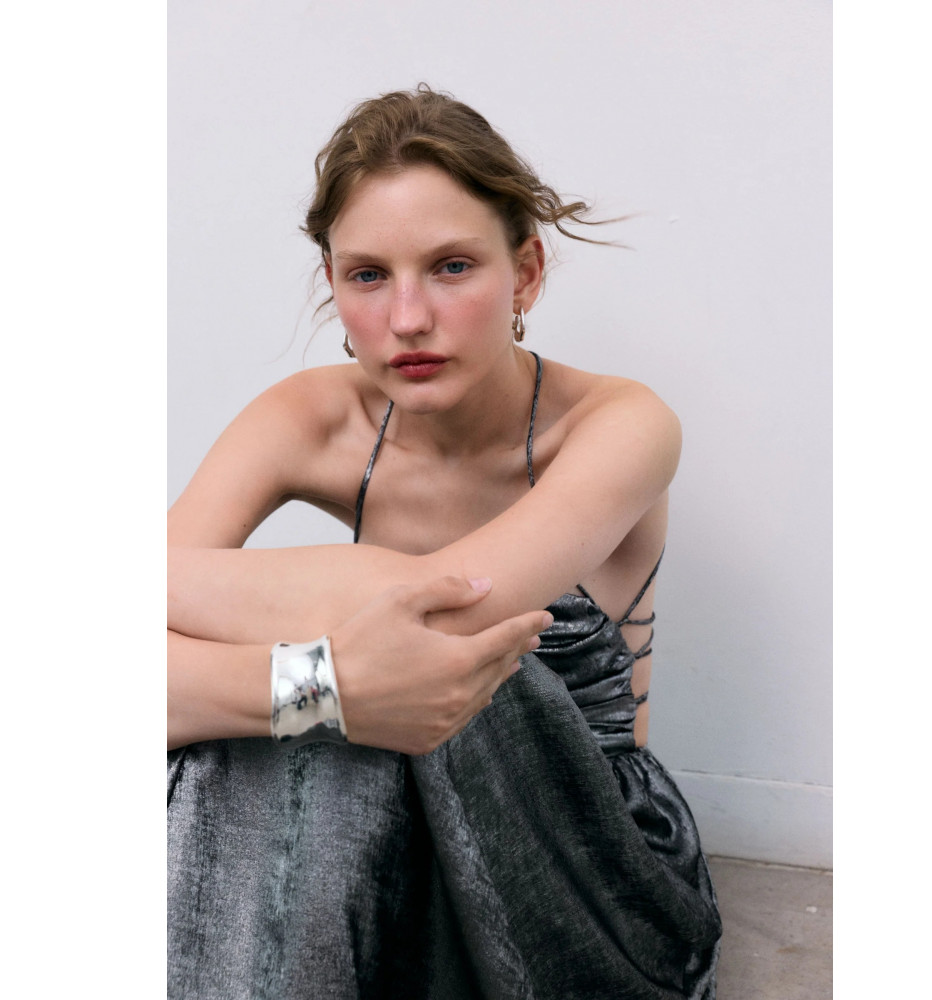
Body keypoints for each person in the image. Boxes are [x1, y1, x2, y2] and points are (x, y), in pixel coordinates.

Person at [168, 85, 721, 999]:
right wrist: (317, 686)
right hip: (376, 830)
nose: (408, 318)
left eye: (452, 267)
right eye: (368, 275)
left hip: (584, 857)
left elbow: (445, 618)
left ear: (526, 273)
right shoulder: (309, 419)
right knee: (301, 719)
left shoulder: (620, 424)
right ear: (334, 284)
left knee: (415, 685)